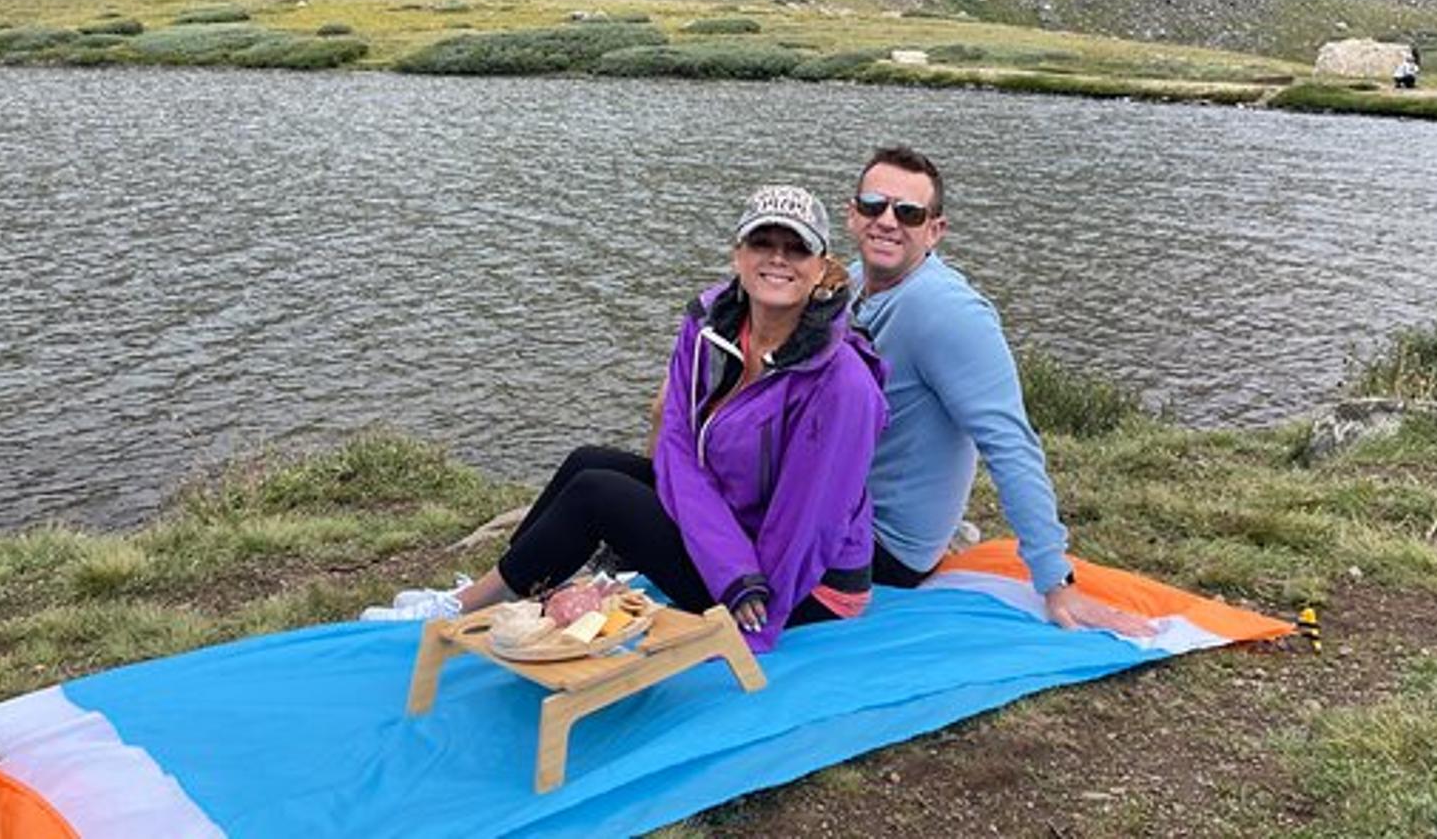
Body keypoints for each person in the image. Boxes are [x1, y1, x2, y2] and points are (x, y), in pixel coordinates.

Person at [362, 185, 888, 652]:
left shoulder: (840, 381)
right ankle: (506, 592)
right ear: (738, 255)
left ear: (821, 267)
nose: (778, 259)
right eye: (762, 244)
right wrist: (726, 554)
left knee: (600, 496)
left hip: (798, 585)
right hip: (737, 528)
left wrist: (746, 586)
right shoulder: (712, 326)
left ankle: (464, 608)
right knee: (588, 462)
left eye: (796, 248)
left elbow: (812, 515)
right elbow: (678, 445)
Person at [845, 146, 1150, 636]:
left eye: (907, 212)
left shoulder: (946, 311)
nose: (886, 221)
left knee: (688, 532)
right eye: (873, 205)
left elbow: (1008, 441)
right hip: (845, 508)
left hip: (883, 547)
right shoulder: (855, 282)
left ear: (934, 230)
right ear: (851, 214)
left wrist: (1056, 579)